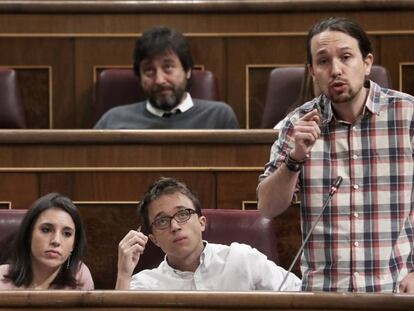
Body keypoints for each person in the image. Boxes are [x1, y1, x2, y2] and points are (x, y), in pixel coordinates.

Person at [257, 17, 414, 293]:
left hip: (394, 291)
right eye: (323, 61)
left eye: (346, 57)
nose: (336, 70)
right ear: (312, 71)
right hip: (324, 295)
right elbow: (267, 207)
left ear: (367, 63)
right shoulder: (297, 124)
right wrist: (295, 159)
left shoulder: (407, 115)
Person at [116, 177, 301, 290]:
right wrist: (123, 274)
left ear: (201, 222)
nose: (175, 226)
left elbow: (298, 294)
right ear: (154, 240)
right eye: (162, 221)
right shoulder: (146, 284)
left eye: (183, 214)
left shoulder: (241, 258)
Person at [94, 26, 239, 129]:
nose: (160, 80)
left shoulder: (219, 117)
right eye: (149, 70)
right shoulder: (113, 121)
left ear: (187, 70)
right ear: (139, 77)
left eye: (168, 67)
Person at [0, 193, 94, 290]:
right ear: (28, 234)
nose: (56, 241)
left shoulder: (79, 276)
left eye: (67, 234)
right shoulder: (1, 280)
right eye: (46, 230)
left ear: (74, 244)